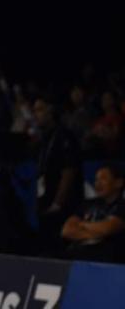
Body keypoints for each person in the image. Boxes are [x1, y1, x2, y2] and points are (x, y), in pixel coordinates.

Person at [31, 95, 84, 256]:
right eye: (34, 110)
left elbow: (69, 171)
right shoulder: (44, 138)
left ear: (51, 110)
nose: (36, 114)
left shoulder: (64, 136)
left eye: (39, 109)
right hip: (46, 205)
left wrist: (57, 203)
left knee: (60, 250)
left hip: (62, 208)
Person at [61, 165, 125, 263]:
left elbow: (107, 228)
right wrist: (96, 235)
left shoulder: (121, 206)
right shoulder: (88, 204)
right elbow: (66, 231)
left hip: (109, 260)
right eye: (96, 180)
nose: (98, 183)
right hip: (78, 256)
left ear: (118, 183)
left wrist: (82, 224)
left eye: (103, 179)